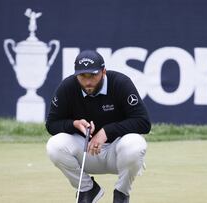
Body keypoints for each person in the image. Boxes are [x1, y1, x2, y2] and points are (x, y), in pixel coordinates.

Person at [45, 49, 151, 203]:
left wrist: (106, 132)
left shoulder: (120, 83)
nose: (88, 82)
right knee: (54, 146)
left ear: (104, 72)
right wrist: (74, 124)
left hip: (118, 154)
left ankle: (122, 193)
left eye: (93, 75)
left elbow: (143, 122)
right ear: (76, 75)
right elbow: (52, 124)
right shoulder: (67, 87)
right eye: (82, 76)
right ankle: (87, 189)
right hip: (87, 153)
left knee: (135, 144)